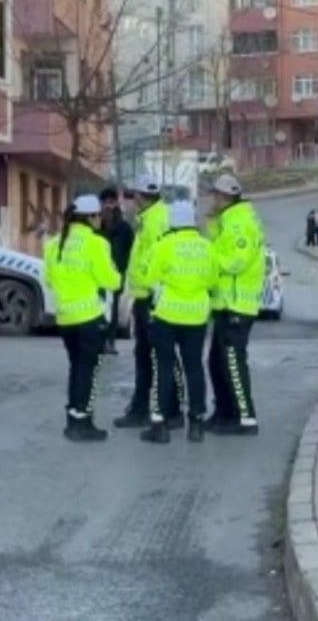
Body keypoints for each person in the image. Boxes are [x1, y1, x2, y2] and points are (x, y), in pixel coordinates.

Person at [133, 201, 215, 444]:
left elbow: (147, 278)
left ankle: (160, 426)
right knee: (194, 368)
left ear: (173, 222)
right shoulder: (207, 247)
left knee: (164, 368)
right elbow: (212, 280)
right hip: (197, 316)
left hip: (167, 315)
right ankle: (197, 424)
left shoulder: (164, 245)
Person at [43, 195, 121, 442]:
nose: (100, 219)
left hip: (65, 318)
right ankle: (83, 423)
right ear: (90, 217)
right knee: (88, 372)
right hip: (90, 317)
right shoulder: (96, 243)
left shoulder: (54, 243)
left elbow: (47, 279)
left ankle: (72, 419)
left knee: (76, 368)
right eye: (98, 215)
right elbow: (111, 280)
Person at [113, 175, 180, 430]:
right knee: (155, 356)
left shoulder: (155, 222)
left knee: (150, 357)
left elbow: (159, 263)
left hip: (151, 299)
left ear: (141, 198)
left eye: (134, 197)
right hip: (147, 297)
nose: (131, 202)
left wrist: (151, 295)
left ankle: (149, 410)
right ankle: (167, 410)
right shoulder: (152, 219)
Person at [205, 174, 266, 435]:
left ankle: (245, 417)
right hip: (224, 302)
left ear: (224, 197)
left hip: (237, 304)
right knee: (216, 361)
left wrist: (210, 260)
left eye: (215, 195)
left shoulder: (240, 224)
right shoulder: (228, 221)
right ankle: (224, 413)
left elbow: (235, 261)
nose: (212, 200)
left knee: (232, 362)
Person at [98, 187, 134, 355]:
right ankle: (98, 341)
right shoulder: (96, 226)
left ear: (116, 204)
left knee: (111, 309)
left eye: (111, 203)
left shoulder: (125, 228)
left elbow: (129, 251)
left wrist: (122, 269)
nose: (108, 206)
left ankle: (110, 342)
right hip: (97, 273)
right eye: (105, 203)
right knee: (97, 308)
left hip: (115, 274)